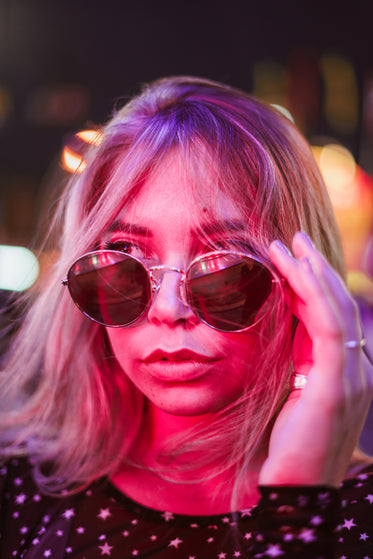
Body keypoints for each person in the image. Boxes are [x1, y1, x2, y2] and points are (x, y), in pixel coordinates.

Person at [0, 76, 372, 559]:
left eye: (224, 260)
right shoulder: (18, 483)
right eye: (124, 255)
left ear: (306, 285)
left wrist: (298, 501)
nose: (169, 309)